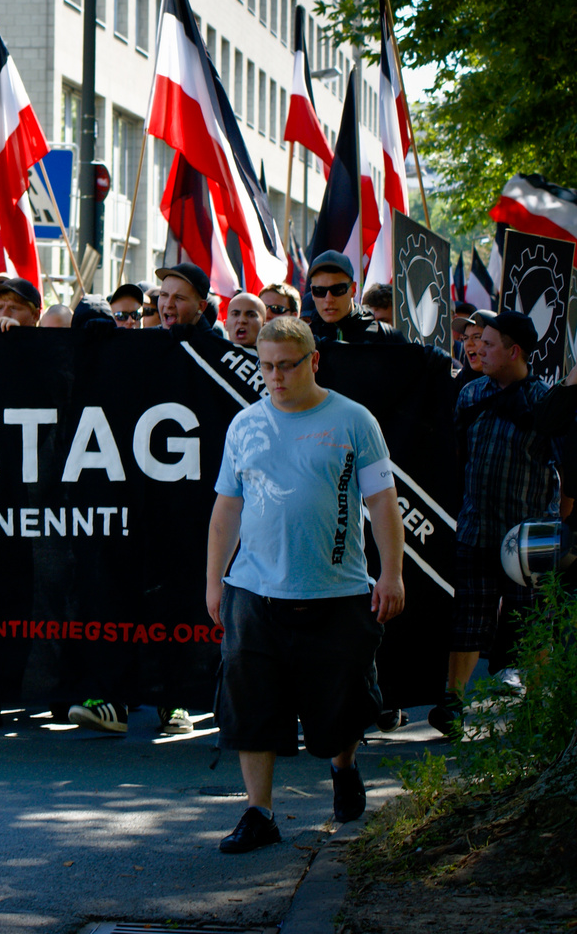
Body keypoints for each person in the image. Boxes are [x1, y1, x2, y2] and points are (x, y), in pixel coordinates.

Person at [206, 316, 405, 851]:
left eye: (286, 366)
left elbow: (381, 502)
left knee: (340, 702)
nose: (274, 376)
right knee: (251, 705)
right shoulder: (244, 425)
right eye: (265, 366)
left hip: (336, 590)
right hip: (254, 591)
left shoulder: (353, 420)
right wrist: (215, 581)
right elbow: (226, 508)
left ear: (313, 361)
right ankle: (259, 812)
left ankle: (343, 766)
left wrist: (392, 572)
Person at [432, 310, 577, 735]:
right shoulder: (470, 394)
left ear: (514, 351)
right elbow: (456, 458)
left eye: (488, 343)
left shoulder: (545, 402)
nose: (477, 348)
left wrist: (559, 523)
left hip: (529, 542)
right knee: (468, 622)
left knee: (532, 625)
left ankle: (537, 711)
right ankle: (454, 706)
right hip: (476, 531)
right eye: (475, 341)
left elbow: (568, 469)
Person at [304, 251, 405, 344]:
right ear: (312, 292)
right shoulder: (302, 340)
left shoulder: (386, 337)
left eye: (338, 289)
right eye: (319, 291)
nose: (329, 299)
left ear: (353, 289)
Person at [154, 263, 214, 331]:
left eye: (179, 298)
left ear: (201, 306)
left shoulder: (212, 341)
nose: (168, 304)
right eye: (164, 295)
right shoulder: (145, 339)